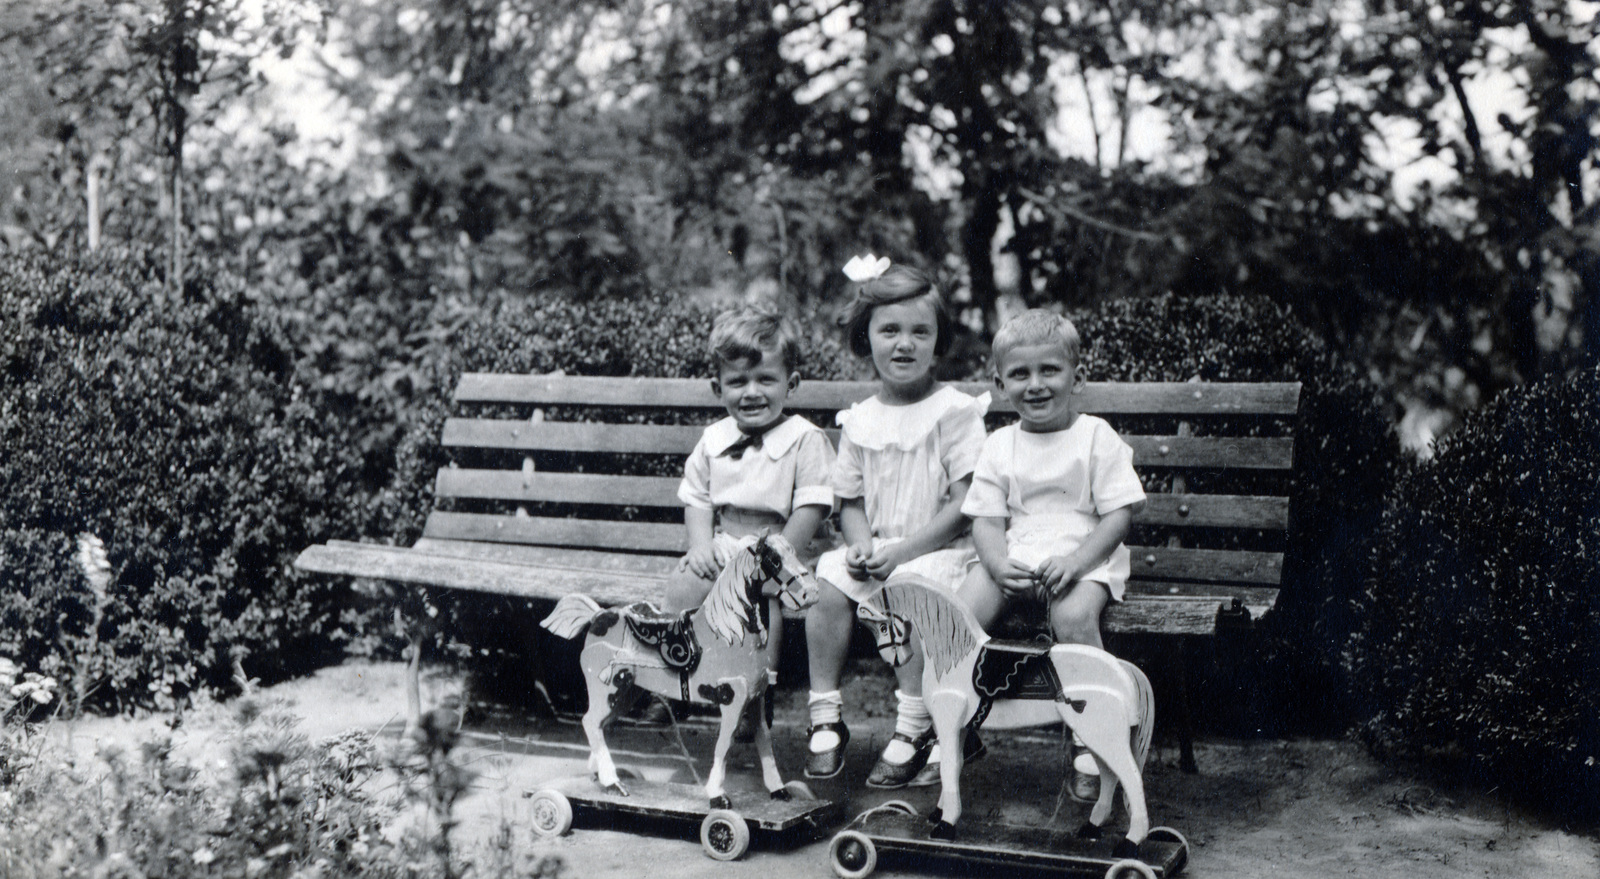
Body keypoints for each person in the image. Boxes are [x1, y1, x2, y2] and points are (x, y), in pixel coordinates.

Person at [804, 256, 989, 788]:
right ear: (866, 339)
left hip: (939, 552)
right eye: (889, 331)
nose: (904, 344)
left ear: (938, 341)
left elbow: (966, 503)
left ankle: (913, 724)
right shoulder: (859, 419)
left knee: (909, 589)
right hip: (881, 549)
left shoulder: (955, 412)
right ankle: (824, 714)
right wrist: (861, 545)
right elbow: (851, 502)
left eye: (919, 331)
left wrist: (902, 552)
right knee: (829, 576)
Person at [957, 308, 1147, 798]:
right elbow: (986, 519)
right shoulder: (1001, 444)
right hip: (1018, 556)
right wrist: (997, 566)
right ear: (1000, 384)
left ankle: (1094, 731)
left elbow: (1120, 515)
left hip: (1084, 557)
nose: (1035, 385)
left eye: (1049, 371)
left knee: (1074, 616)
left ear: (1077, 377)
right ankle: (957, 717)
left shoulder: (1095, 437)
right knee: (963, 610)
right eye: (1020, 374)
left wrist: (1078, 563)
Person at [662, 308, 836, 731]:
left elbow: (810, 508)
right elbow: (698, 498)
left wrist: (772, 559)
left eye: (765, 380)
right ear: (717, 387)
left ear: (790, 385)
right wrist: (701, 546)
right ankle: (673, 684)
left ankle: (755, 697)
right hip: (727, 540)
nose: (751, 392)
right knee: (684, 584)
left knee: (762, 605)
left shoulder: (804, 440)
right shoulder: (715, 438)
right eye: (738, 382)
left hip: (781, 549)